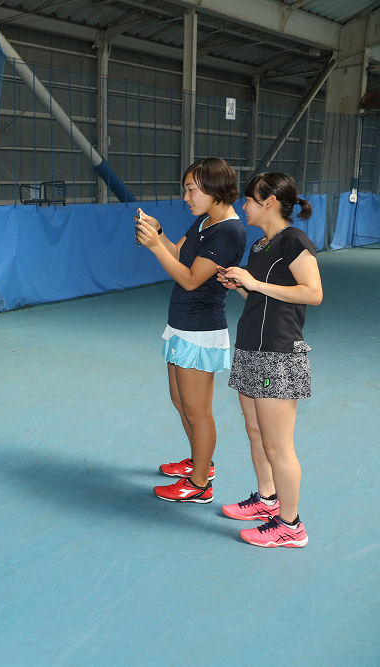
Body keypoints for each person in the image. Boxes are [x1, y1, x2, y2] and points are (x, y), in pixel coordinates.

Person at [217, 172, 321, 548]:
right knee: (256, 432)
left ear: (269, 202)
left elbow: (312, 293)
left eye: (248, 199)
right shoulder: (260, 246)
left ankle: (291, 526)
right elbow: (265, 300)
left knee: (279, 446)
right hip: (251, 348)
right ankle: (267, 500)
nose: (243, 206)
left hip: (278, 354)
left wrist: (255, 283)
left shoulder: (294, 240)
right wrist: (242, 286)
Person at [136, 157, 246, 503]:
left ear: (213, 189)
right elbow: (179, 255)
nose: (186, 198)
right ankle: (200, 462)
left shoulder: (229, 231)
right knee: (180, 402)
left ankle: (200, 484)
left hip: (200, 329)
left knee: (199, 412)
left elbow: (190, 279)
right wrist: (159, 235)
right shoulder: (205, 220)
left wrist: (155, 247)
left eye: (191, 190)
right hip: (181, 323)